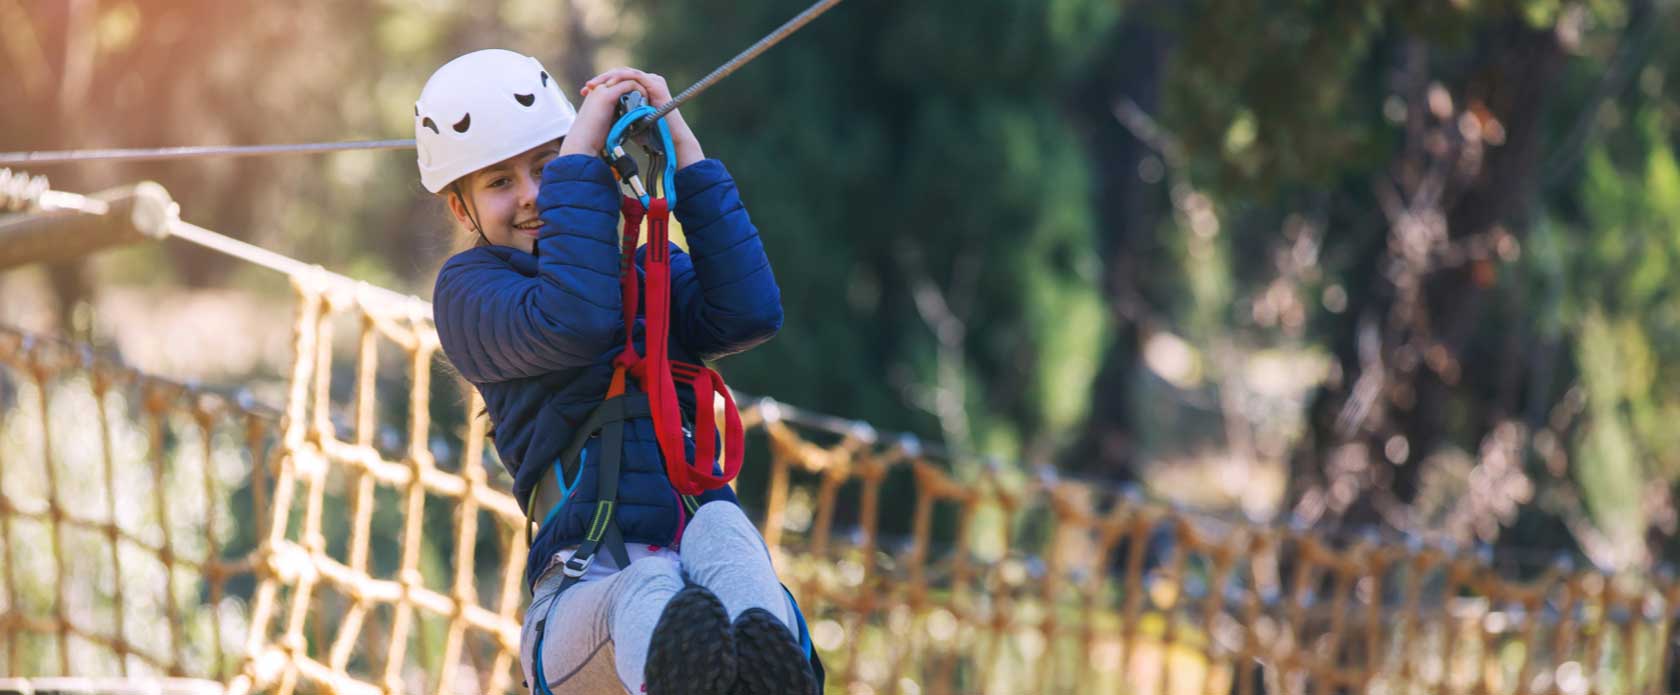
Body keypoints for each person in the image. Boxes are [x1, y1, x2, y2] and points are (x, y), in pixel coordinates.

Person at [418, 49, 818, 695]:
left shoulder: (639, 268)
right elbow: (574, 316)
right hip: (587, 597)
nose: (532, 196)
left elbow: (747, 313)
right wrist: (580, 160)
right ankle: (690, 666)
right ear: (462, 211)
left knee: (722, 524)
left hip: (704, 569)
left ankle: (764, 667)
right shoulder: (469, 293)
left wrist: (683, 148)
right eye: (499, 182)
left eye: (546, 167)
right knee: (649, 585)